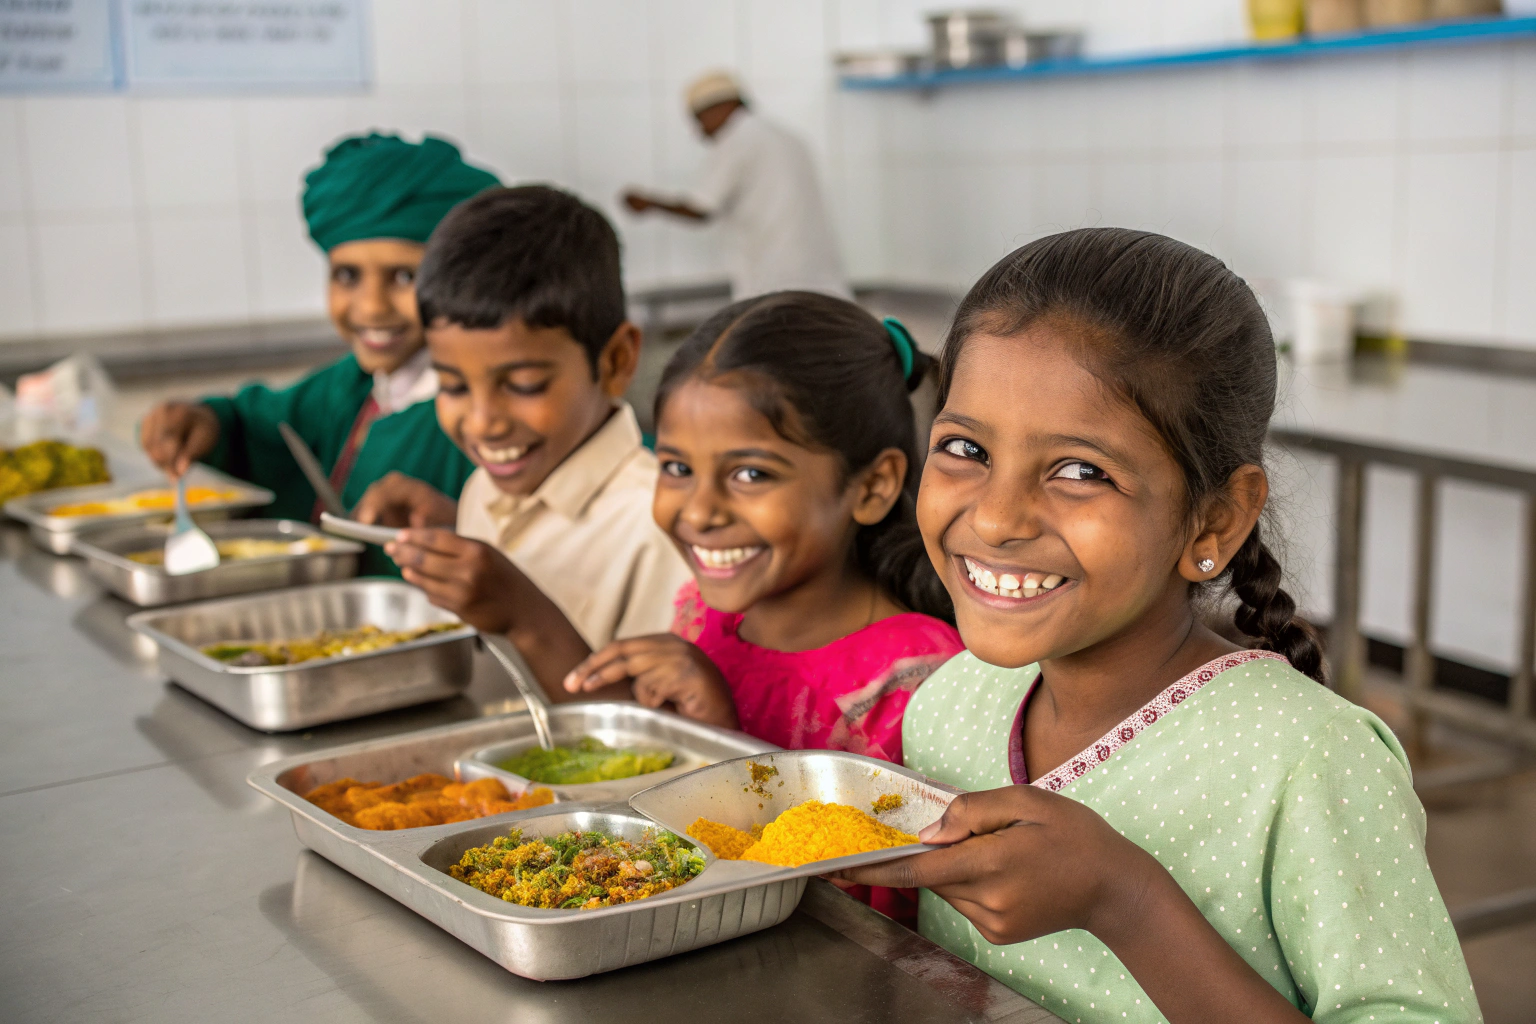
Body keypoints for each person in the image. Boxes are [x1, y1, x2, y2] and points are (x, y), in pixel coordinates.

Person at [836, 229, 1481, 1022]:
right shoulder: (949, 704)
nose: (998, 518)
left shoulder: (1311, 762)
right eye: (965, 447)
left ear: (1214, 521)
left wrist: (1127, 903)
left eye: (1080, 471)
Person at [564, 291, 964, 924]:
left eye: (750, 475)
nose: (697, 511)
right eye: (675, 467)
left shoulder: (915, 681)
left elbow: (882, 909)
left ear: (872, 486)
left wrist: (721, 740)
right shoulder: (702, 613)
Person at [352, 186, 691, 687]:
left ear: (616, 360)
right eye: (453, 385)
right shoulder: (484, 489)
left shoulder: (659, 526)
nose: (483, 421)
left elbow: (664, 742)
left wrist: (526, 619)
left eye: (524, 385)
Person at [138, 133, 494, 564]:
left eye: (404, 277)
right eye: (347, 276)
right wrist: (204, 423)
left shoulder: (482, 412)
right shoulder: (352, 386)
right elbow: (260, 430)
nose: (371, 307)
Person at [622, 71, 849, 301]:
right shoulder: (789, 137)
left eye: (699, 120)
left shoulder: (737, 138)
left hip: (773, 279)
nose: (700, 132)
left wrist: (648, 203)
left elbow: (701, 208)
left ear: (720, 107)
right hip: (820, 278)